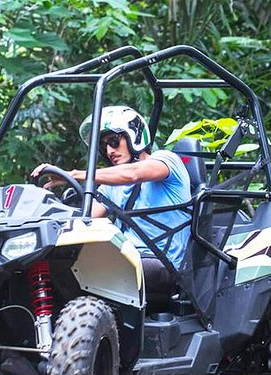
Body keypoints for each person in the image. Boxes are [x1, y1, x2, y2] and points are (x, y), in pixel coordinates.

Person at [31, 105, 191, 296]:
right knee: (53, 267)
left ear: (135, 137)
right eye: (104, 146)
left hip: (160, 264)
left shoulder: (167, 160)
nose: (109, 151)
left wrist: (75, 174)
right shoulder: (111, 187)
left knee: (86, 274)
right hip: (122, 258)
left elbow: (134, 174)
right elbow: (85, 220)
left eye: (114, 141)